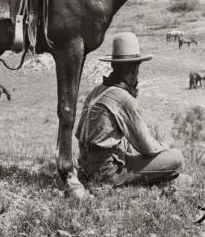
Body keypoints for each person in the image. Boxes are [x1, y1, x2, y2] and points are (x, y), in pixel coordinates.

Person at [76, 32, 184, 187]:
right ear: (135, 70)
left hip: (86, 166)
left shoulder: (96, 91)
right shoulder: (124, 98)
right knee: (176, 158)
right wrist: (165, 147)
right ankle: (159, 179)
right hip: (108, 171)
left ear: (114, 66)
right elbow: (146, 147)